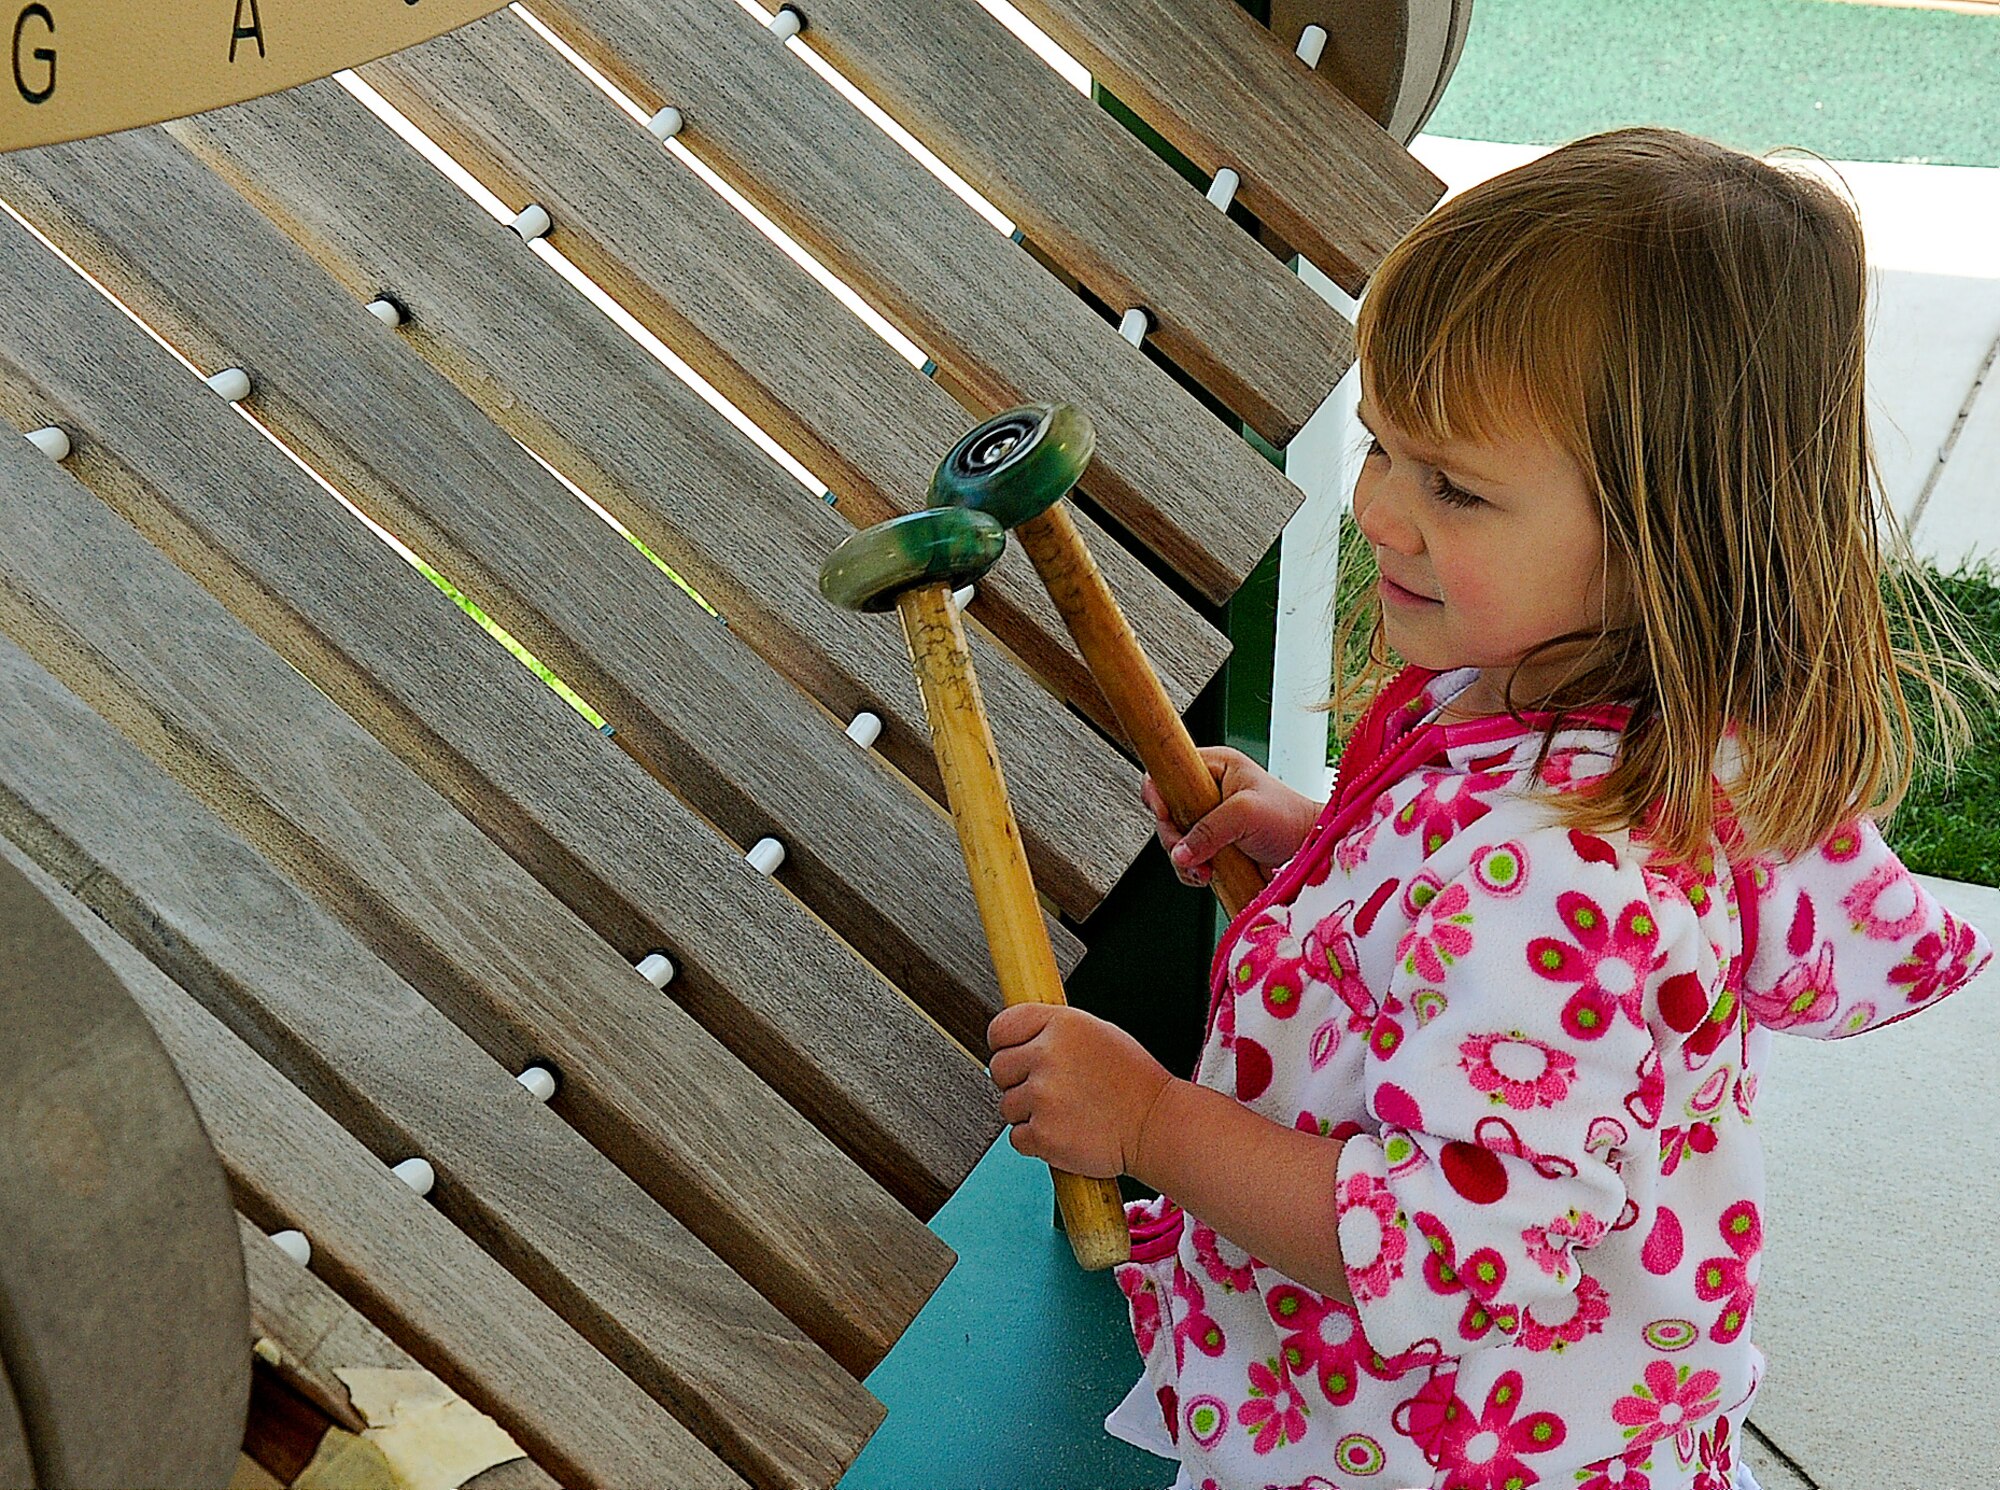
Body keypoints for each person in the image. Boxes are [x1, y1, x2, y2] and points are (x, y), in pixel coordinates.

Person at [985, 127, 1997, 1490]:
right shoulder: (1613, 712)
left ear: (1664, 534)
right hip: (1582, 1408)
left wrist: (1150, 1121)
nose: (1380, 510)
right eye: (1387, 446)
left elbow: (1443, 1246)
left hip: (1437, 1448)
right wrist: (1319, 835)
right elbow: (1481, 933)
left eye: (1454, 484)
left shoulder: (1554, 877)